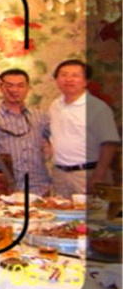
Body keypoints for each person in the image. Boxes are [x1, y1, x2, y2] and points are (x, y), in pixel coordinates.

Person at [48, 59, 121, 197]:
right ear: (56, 80)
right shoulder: (55, 105)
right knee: (60, 209)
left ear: (85, 81)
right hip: (60, 175)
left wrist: (98, 176)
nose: (69, 79)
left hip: (88, 173)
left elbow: (109, 144)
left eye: (75, 75)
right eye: (63, 75)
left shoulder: (98, 108)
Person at [0, 69, 52, 195]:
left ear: (28, 88)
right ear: (0, 88)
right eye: (9, 85)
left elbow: (56, 140)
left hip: (39, 187)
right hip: (5, 188)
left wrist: (49, 147)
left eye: (20, 85)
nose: (14, 90)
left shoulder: (41, 116)